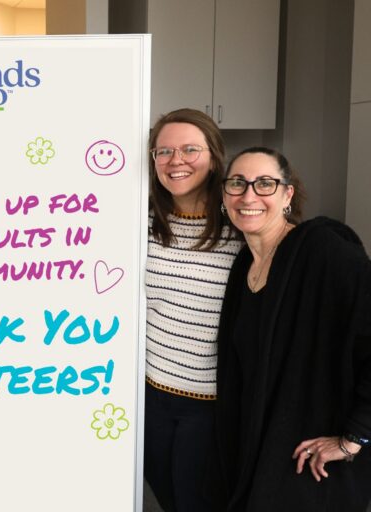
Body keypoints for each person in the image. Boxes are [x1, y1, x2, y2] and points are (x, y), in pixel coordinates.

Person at [212, 147, 371, 511]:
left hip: (310, 462)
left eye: (265, 184)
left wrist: (354, 439)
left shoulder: (324, 252)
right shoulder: (243, 265)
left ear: (287, 194)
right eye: (237, 183)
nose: (248, 196)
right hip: (261, 453)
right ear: (224, 195)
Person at [143, 108, 243, 511]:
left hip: (209, 403)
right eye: (164, 151)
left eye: (189, 149)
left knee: (196, 502)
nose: (176, 160)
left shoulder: (241, 224)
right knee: (166, 498)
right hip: (148, 395)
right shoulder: (143, 221)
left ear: (214, 157)